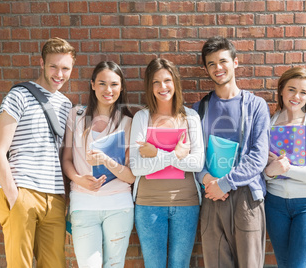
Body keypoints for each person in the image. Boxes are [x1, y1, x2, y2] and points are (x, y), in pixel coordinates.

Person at [0, 37, 76, 267]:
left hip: (55, 198)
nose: (59, 74)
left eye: (65, 68)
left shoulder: (66, 105)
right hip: (23, 191)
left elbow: (62, 157)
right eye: (53, 66)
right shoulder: (18, 96)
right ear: (41, 63)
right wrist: (14, 197)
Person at [192, 36, 270, 268]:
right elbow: (194, 154)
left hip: (246, 197)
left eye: (223, 61)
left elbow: (259, 156)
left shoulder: (255, 106)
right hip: (211, 197)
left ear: (235, 63)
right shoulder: (199, 109)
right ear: (206, 69)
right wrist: (205, 179)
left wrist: (224, 184)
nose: (218, 68)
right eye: (211, 64)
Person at [130, 58, 204, 267]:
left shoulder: (191, 117)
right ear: (150, 86)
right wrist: (174, 155)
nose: (163, 87)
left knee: (179, 264)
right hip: (148, 205)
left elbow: (197, 163)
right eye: (156, 82)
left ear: (175, 83)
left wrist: (155, 154)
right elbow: (136, 167)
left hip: (186, 204)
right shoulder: (142, 118)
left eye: (167, 80)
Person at [62, 61, 135, 268]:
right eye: (102, 83)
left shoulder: (128, 123)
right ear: (92, 84)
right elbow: (66, 160)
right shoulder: (76, 116)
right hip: (83, 204)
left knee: (114, 265)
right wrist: (79, 179)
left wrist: (106, 161)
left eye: (114, 84)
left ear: (121, 88)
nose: (108, 90)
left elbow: (131, 176)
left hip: (119, 205)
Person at [263, 67, 306, 268]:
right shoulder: (269, 124)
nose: (296, 96)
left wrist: (286, 169)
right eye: (292, 89)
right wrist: (269, 172)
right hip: (275, 205)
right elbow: (262, 170)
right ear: (281, 90)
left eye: (303, 92)